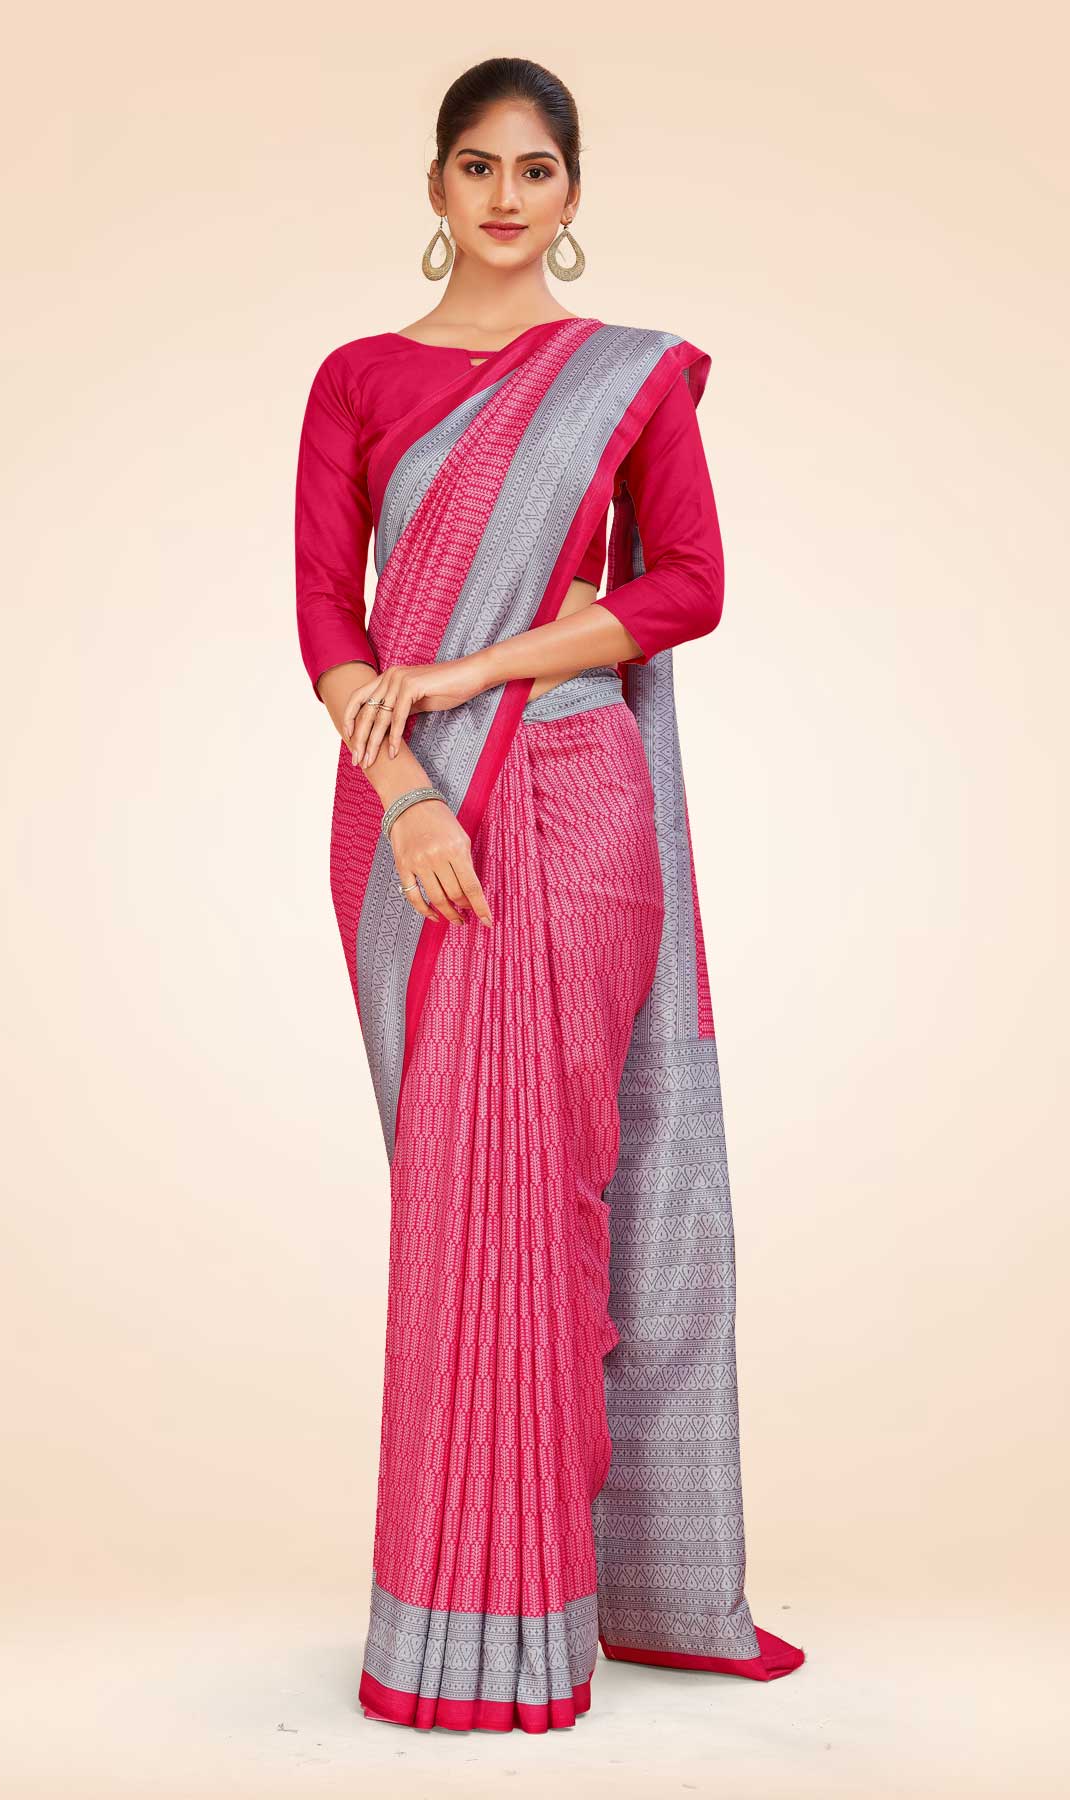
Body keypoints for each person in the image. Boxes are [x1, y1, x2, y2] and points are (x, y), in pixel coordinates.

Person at [294, 56, 805, 1735]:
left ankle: (556, 1604)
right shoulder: (359, 379)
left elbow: (689, 585)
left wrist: (477, 668)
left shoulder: (625, 378)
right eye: (477, 166)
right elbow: (328, 622)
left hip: (578, 791)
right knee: (461, 1201)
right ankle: (456, 1609)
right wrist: (409, 790)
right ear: (435, 186)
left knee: (558, 1189)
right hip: (408, 814)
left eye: (536, 169)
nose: (506, 197)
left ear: (573, 195)